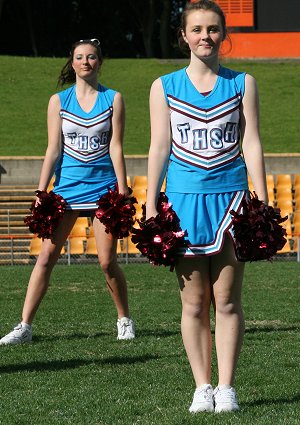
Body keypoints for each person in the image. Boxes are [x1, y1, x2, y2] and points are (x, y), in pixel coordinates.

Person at [146, 0, 268, 414]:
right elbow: (160, 147)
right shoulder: (163, 86)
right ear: (184, 36)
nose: (205, 36)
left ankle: (227, 386)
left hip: (232, 198)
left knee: (228, 299)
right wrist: (150, 203)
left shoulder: (243, 83)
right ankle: (202, 385)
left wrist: (262, 198)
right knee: (194, 303)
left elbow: (251, 142)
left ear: (223, 34)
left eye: (213, 29)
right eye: (196, 29)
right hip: (182, 201)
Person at [0, 38, 135, 345]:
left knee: (106, 261)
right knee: (46, 257)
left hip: (103, 189)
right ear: (72, 63)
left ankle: (124, 319)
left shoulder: (113, 99)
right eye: (79, 57)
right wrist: (41, 189)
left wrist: (123, 186)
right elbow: (53, 149)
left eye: (91, 57)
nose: (86, 61)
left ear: (99, 62)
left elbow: (116, 146)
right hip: (67, 189)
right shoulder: (58, 101)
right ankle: (24, 327)